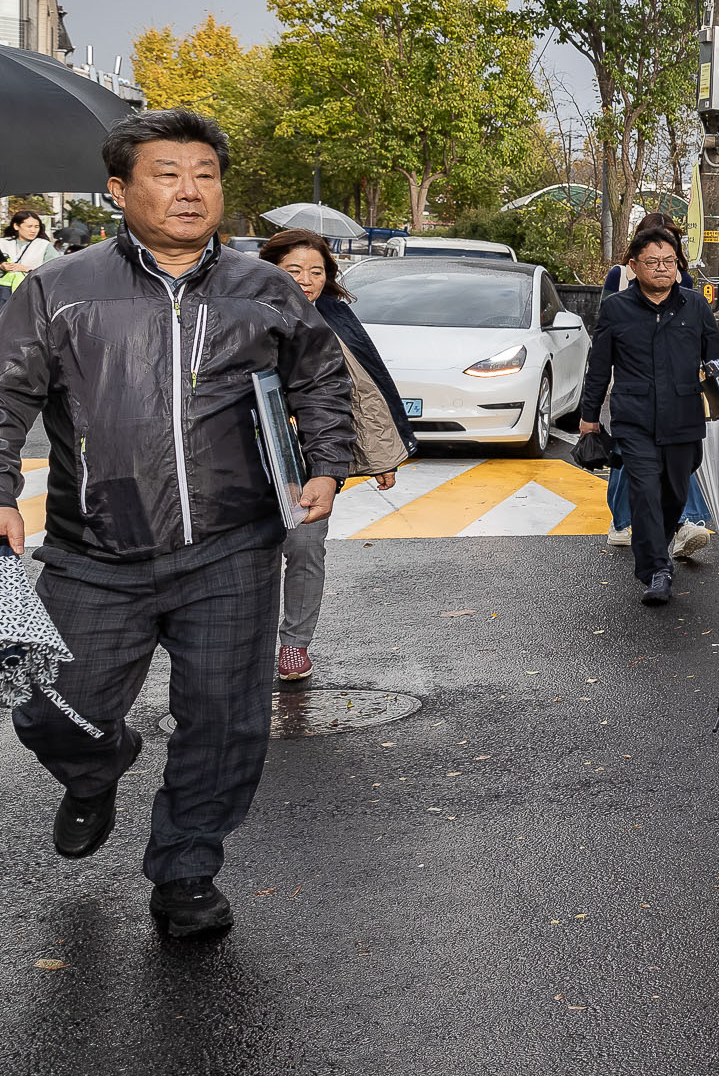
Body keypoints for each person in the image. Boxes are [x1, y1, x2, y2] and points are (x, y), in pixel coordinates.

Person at [0, 109, 354, 939]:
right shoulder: (61, 287)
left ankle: (188, 869)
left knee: (225, 720)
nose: (190, 189)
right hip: (95, 548)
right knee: (48, 700)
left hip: (234, 547)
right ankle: (95, 769)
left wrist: (328, 463)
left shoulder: (261, 288)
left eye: (205, 173)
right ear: (119, 189)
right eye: (167, 172)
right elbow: (6, 392)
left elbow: (319, 379)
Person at [259, 227, 418, 684]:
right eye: (294, 270)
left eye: (316, 270)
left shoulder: (335, 316)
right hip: (245, 452)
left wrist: (379, 455)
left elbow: (365, 389)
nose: (306, 279)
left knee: (305, 549)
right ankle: (245, 642)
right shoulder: (242, 314)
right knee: (250, 555)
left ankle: (294, 644)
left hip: (311, 456)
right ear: (271, 269)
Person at [577, 226, 719, 607]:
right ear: (633, 266)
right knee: (645, 493)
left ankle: (656, 549)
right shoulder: (617, 309)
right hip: (634, 419)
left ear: (679, 266)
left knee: (675, 494)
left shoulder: (694, 306)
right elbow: (599, 367)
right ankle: (656, 570)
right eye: (652, 262)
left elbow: (716, 355)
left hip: (683, 417)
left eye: (669, 262)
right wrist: (589, 417)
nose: (662, 268)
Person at [598, 212, 714, 562]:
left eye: (670, 245)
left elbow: (696, 334)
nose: (663, 263)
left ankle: (676, 523)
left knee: (664, 460)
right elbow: (604, 328)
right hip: (633, 387)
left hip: (675, 392)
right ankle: (627, 521)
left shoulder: (686, 284)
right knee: (632, 458)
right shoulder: (619, 277)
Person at [1, 210, 54, 295]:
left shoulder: (44, 245)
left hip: (31, 293)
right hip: (4, 293)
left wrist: (26, 269)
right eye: (29, 226)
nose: (33, 230)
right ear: (16, 226)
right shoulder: (3, 243)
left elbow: (55, 269)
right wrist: (2, 266)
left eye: (36, 227)